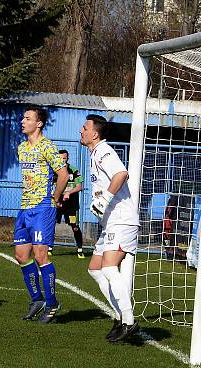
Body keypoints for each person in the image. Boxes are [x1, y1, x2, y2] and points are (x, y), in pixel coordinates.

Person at [80, 114, 140, 341]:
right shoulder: (95, 154)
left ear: (95, 133)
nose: (81, 131)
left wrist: (104, 198)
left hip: (122, 220)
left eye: (84, 128)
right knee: (95, 268)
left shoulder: (104, 151)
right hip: (110, 223)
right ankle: (119, 316)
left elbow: (121, 174)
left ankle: (129, 320)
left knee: (108, 268)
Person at [14, 105, 68, 323]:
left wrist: (54, 198)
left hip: (43, 208)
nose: (22, 121)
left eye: (27, 118)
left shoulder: (47, 146)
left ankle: (52, 303)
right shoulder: (21, 148)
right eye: (23, 118)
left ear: (39, 123)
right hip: (24, 207)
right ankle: (37, 299)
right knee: (21, 255)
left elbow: (62, 174)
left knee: (40, 255)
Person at [55, 149, 85, 258]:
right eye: (60, 158)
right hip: (57, 203)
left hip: (71, 204)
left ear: (67, 158)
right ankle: (48, 248)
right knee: (50, 223)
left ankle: (80, 249)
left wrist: (69, 192)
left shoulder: (74, 170)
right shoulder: (54, 171)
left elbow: (79, 186)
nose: (62, 160)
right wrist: (56, 198)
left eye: (64, 158)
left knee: (75, 226)